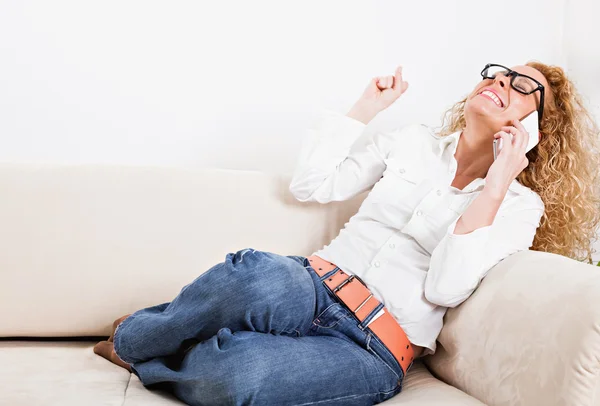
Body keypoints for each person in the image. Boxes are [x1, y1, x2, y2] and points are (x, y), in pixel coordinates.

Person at [93, 61, 600, 406]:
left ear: (537, 129)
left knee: (242, 376)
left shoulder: (517, 206)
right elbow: (312, 184)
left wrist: (497, 183)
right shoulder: (413, 142)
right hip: (312, 284)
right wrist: (366, 107)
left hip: (372, 347)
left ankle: (172, 350)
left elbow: (445, 287)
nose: (503, 82)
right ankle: (134, 338)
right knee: (255, 276)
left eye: (523, 87)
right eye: (500, 73)